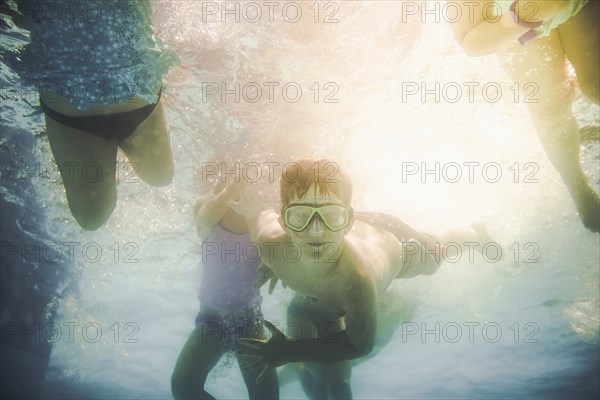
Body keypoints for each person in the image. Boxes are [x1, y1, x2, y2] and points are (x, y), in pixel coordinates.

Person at [232, 158, 493, 399]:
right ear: (285, 222)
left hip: (392, 242)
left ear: (346, 222)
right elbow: (258, 213)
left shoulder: (356, 279)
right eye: (300, 216)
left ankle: (472, 234)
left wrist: (292, 351)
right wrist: (270, 262)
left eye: (331, 217)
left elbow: (359, 345)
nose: (316, 231)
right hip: (356, 224)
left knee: (435, 256)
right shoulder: (270, 244)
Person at [11, 0, 178, 230]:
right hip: (75, 115)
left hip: (136, 100)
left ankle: (101, 156)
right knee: (91, 218)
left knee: (161, 177)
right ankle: (97, 155)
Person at [448, 0, 599, 232]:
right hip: (509, 18)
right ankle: (576, 183)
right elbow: (471, 41)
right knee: (550, 105)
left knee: (595, 84)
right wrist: (521, 17)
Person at [171, 177, 279, 400]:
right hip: (211, 321)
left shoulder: (264, 218)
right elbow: (204, 216)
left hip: (250, 321)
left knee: (266, 396)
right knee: (183, 386)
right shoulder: (205, 206)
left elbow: (273, 245)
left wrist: (276, 265)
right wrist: (233, 187)